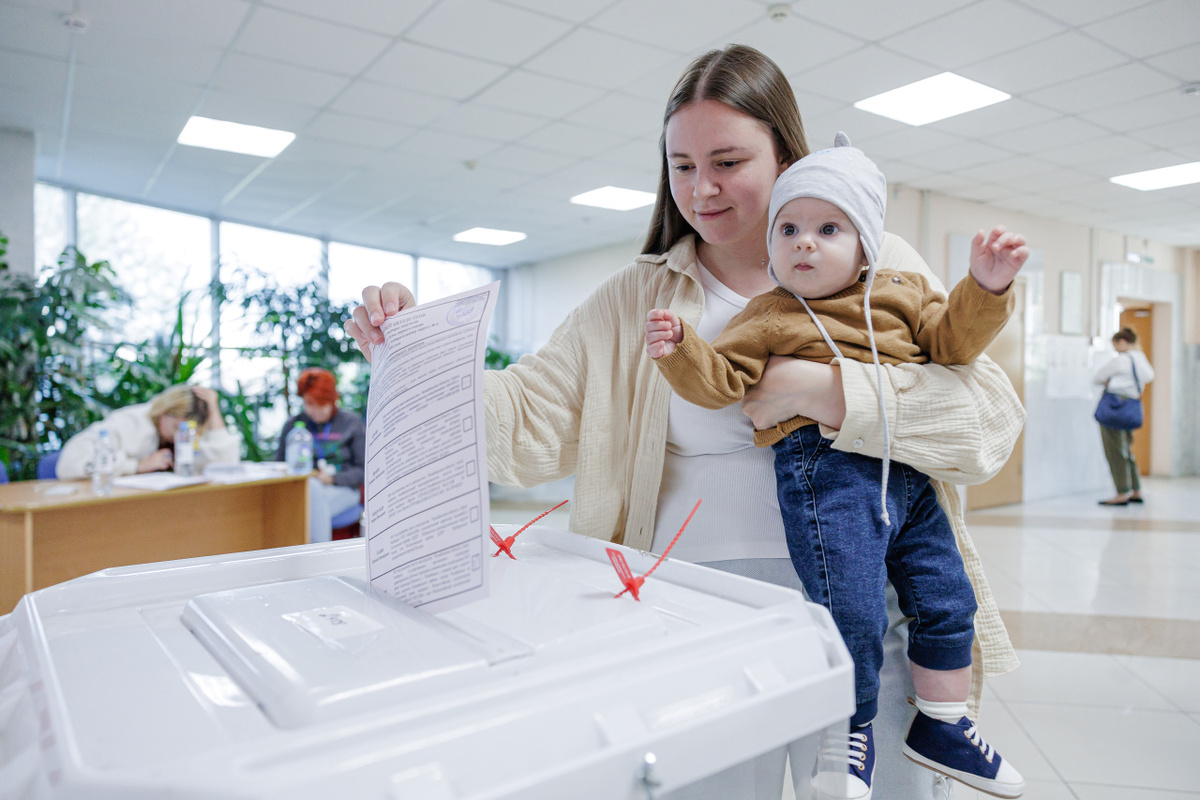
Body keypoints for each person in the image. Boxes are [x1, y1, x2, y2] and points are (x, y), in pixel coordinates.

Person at [346, 44, 1024, 800]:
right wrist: (413, 358)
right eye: (681, 166)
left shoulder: (878, 265)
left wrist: (822, 389)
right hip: (693, 622)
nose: (702, 189)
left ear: (787, 156)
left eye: (728, 161)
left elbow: (987, 418)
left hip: (870, 616)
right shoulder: (636, 297)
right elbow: (532, 420)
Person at [646, 134, 1027, 798]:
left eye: (829, 228)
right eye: (788, 228)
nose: (804, 243)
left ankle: (943, 722)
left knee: (947, 596)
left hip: (907, 474)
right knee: (849, 608)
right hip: (827, 475)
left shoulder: (902, 293)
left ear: (866, 246)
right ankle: (846, 735)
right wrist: (683, 349)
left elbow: (954, 344)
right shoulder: (768, 316)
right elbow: (720, 382)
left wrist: (986, 286)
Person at [57, 384, 240, 478]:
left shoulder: (188, 430)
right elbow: (69, 463)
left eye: (187, 431)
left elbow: (226, 465)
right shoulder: (130, 421)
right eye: (176, 428)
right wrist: (138, 466)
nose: (180, 437)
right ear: (163, 413)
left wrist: (214, 412)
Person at [275, 367, 365, 543]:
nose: (315, 411)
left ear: (332, 400)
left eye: (321, 405)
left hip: (343, 489)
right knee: (312, 492)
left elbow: (363, 470)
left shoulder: (351, 423)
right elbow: (280, 465)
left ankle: (314, 562)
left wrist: (332, 479)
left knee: (307, 510)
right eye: (310, 404)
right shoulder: (294, 425)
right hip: (303, 490)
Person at [1093, 327, 1154, 506]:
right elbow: (1149, 377)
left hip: (1114, 408)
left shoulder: (1121, 360)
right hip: (1131, 407)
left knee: (1115, 452)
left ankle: (1122, 493)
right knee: (1127, 451)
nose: (1115, 349)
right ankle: (1135, 490)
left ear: (1122, 342)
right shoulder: (1140, 358)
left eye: (1115, 345)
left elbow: (1097, 377)